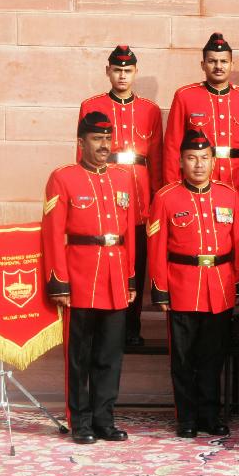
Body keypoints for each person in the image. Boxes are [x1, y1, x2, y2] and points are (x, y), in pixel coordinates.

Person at [42, 111, 137, 444]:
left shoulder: (123, 178)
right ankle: (80, 421)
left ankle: (104, 420)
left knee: (110, 356)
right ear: (81, 142)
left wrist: (130, 278)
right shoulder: (63, 178)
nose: (104, 145)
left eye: (107, 139)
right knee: (79, 356)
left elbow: (129, 233)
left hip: (114, 277)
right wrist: (58, 281)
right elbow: (52, 233)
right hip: (80, 278)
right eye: (97, 139)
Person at [149, 129, 239, 438]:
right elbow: (157, 246)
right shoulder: (166, 197)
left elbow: (238, 243)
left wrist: (238, 281)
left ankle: (210, 415)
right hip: (182, 286)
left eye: (204, 158)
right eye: (192, 158)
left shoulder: (229, 195)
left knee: (213, 357)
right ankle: (187, 417)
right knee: (184, 358)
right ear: (181, 161)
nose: (199, 164)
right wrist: (160, 288)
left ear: (214, 161)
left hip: (219, 286)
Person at [78, 44, 162, 347]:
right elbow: (82, 157)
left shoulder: (150, 110)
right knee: (103, 261)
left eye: (127, 70)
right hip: (104, 197)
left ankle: (131, 328)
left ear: (135, 72)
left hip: (138, 201)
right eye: (117, 70)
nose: (122, 75)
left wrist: (156, 200)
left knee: (135, 265)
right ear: (108, 72)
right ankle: (102, 326)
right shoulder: (91, 106)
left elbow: (156, 158)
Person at [163, 33, 239, 195]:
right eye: (212, 61)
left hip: (237, 182)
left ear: (232, 64)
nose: (218, 66)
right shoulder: (185, 96)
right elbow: (172, 146)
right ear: (203, 65)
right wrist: (172, 188)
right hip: (197, 182)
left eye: (224, 61)